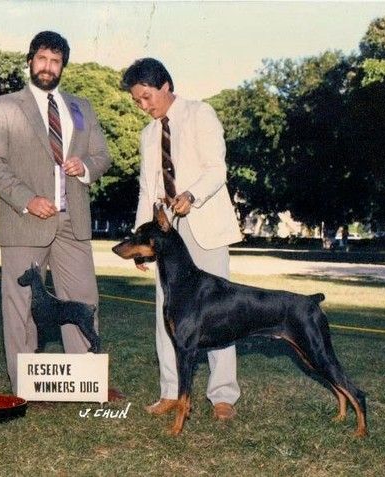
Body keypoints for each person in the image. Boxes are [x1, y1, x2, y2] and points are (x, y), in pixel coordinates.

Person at [0, 31, 114, 396]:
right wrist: (27, 200)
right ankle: (25, 387)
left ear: (63, 67)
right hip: (25, 219)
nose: (48, 67)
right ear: (30, 61)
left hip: (74, 222)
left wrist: (84, 167)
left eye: (56, 61)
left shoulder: (82, 108)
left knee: (83, 301)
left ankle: (86, 382)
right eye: (42, 59)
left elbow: (102, 156)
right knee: (21, 305)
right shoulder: (4, 106)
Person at [121, 58, 243, 421]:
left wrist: (191, 194)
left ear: (165, 86)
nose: (143, 106)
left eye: (146, 97)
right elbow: (147, 191)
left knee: (219, 312)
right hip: (166, 233)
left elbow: (217, 169)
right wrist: (140, 241)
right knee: (168, 311)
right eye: (137, 101)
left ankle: (223, 395)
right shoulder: (147, 135)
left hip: (204, 223)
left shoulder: (200, 114)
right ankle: (171, 392)